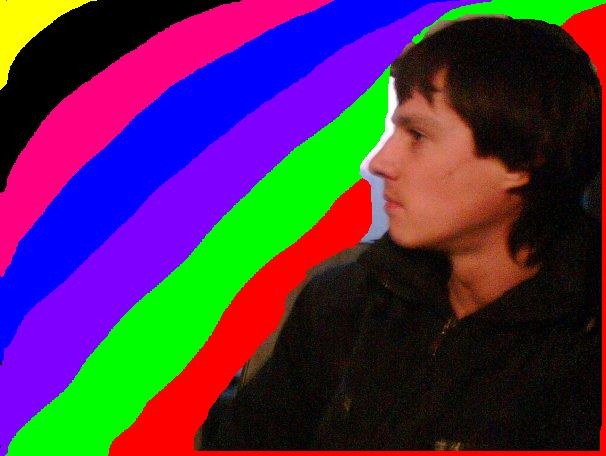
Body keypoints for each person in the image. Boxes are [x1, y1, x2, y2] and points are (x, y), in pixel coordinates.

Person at [197, 16, 602, 450]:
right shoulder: (344, 301)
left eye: (418, 135)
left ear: (522, 159)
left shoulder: (582, 358)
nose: (380, 163)